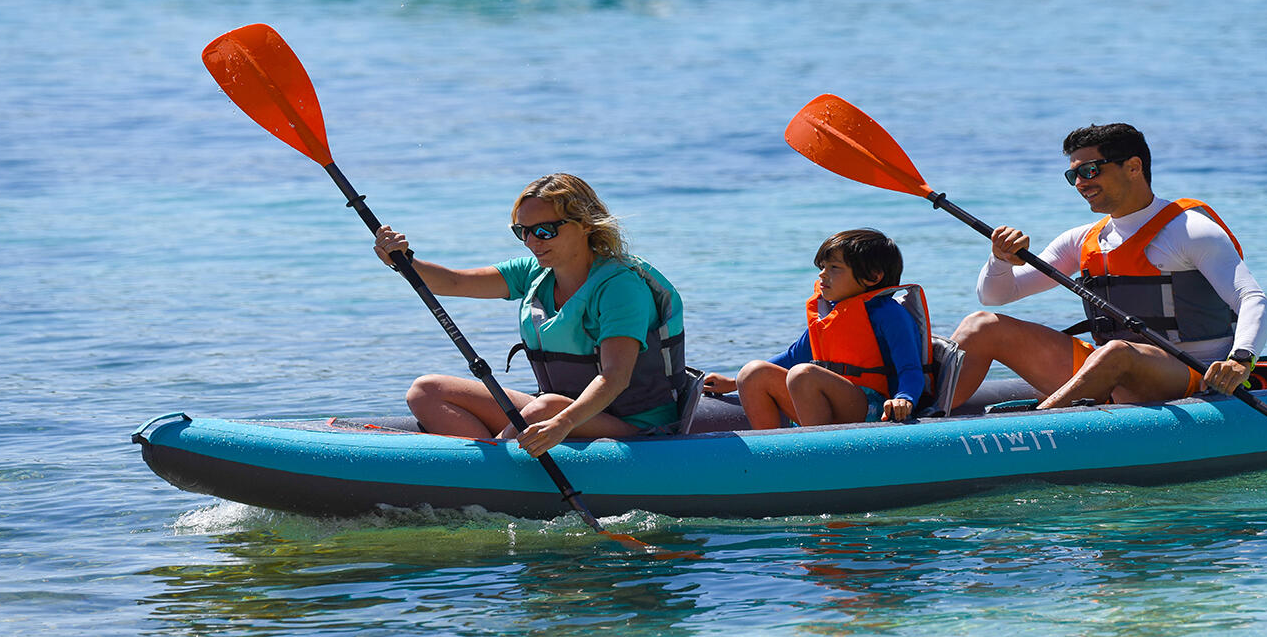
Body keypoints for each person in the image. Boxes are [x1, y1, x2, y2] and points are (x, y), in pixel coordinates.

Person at [948, 122, 1267, 410]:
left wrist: (1241, 360)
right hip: (1107, 367)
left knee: (1117, 352)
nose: (1080, 183)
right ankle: (919, 416)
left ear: (1133, 167)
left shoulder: (1191, 231)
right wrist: (1001, 259)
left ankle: (1039, 425)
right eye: (1073, 175)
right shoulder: (1082, 239)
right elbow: (996, 296)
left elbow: (1252, 299)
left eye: (1090, 171)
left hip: (1188, 372)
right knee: (982, 325)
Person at [370, 173, 685, 457]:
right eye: (523, 231)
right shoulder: (533, 273)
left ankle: (488, 468)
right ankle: (490, 464)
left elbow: (614, 378)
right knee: (426, 391)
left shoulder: (620, 287)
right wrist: (404, 261)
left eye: (545, 231)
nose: (532, 242)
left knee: (544, 407)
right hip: (561, 412)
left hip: (637, 429)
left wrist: (562, 423)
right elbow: (454, 281)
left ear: (586, 224)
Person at [700, 229, 930, 428]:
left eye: (834, 267)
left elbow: (910, 369)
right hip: (825, 402)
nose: (822, 274)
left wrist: (904, 398)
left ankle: (817, 453)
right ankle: (772, 454)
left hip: (873, 407)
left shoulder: (890, 314)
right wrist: (732, 382)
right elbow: (791, 357)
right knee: (752, 372)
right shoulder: (830, 314)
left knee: (803, 374)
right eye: (822, 267)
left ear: (872, 277)